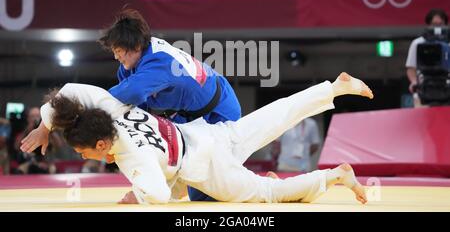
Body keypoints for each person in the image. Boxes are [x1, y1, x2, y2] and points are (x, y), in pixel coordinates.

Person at [23, 72, 372, 205]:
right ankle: (332, 88)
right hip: (206, 132)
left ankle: (334, 176)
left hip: (207, 166)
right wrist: (46, 123)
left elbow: (159, 194)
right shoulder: (109, 107)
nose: (85, 157)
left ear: (102, 145)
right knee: (271, 118)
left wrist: (138, 195)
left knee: (265, 193)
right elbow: (69, 91)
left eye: (85, 152)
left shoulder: (132, 157)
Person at [21, 8, 241, 202]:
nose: (116, 57)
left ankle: (259, 183)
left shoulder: (159, 62)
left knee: (211, 185)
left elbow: (106, 103)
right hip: (188, 117)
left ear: (136, 45)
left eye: (119, 51)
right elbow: (132, 115)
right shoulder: (129, 67)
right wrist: (108, 142)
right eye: (114, 52)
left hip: (219, 111)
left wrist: (49, 126)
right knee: (196, 184)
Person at [405, 8, 449, 107]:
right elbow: (411, 68)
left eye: (440, 24)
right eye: (434, 24)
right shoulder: (418, 43)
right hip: (424, 90)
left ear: (446, 25)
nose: (437, 27)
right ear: (428, 25)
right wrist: (414, 82)